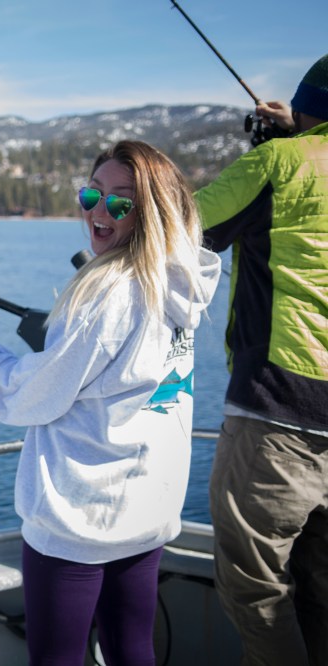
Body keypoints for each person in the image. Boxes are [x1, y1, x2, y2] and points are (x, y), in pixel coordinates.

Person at [0, 140, 221, 665]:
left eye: (120, 203)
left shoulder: (107, 294)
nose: (98, 212)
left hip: (81, 517)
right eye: (91, 195)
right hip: (146, 508)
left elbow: (32, 397)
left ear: (152, 214)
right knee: (130, 647)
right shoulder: (179, 280)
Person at [197, 53, 328, 666]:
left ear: (305, 105)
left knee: (257, 591)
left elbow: (186, 224)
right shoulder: (296, 151)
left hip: (282, 410)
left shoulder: (278, 162)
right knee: (322, 590)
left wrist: (276, 148)